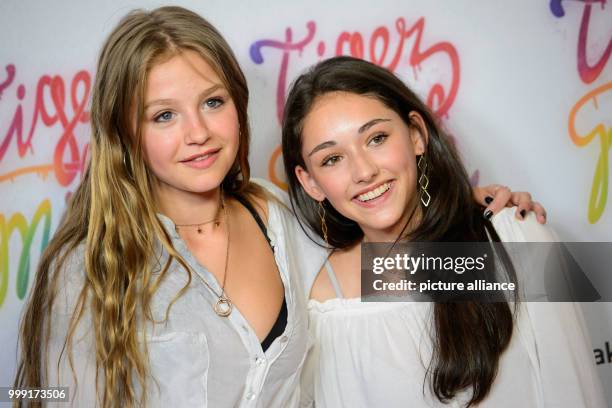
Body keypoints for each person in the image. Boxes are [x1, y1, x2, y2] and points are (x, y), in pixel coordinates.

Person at [13, 6, 543, 408]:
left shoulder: (284, 220)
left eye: (213, 103)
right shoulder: (86, 268)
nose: (198, 133)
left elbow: (395, 275)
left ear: (238, 107)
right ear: (124, 132)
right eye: (164, 116)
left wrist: (466, 211)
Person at [281, 56, 605, 407]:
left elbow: (577, 396)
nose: (363, 171)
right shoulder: (319, 305)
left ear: (416, 135)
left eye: (376, 138)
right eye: (332, 159)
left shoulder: (515, 240)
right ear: (310, 182)